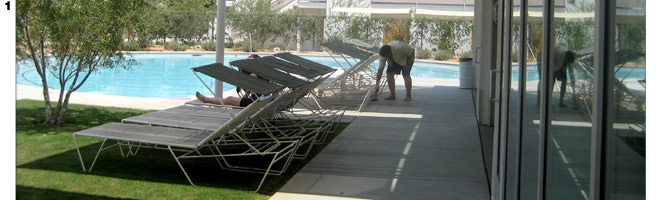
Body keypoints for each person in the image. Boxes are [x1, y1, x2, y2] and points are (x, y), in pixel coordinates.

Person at [195, 54, 262, 107]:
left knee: (230, 99)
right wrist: (245, 96)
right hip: (259, 101)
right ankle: (207, 99)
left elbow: (252, 87)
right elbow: (252, 88)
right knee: (230, 99)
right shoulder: (262, 75)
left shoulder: (253, 75)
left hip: (253, 102)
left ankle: (206, 100)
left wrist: (245, 96)